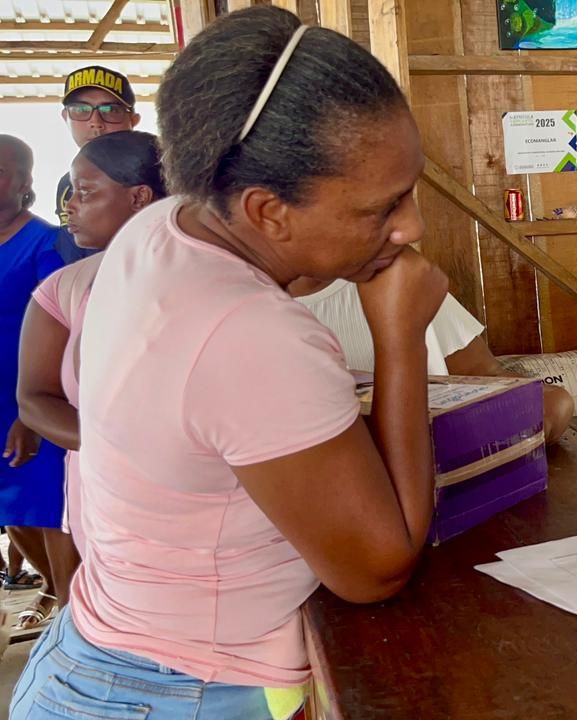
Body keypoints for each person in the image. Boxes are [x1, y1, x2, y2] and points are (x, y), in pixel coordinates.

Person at [11, 8, 447, 719]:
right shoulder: (252, 334)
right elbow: (376, 569)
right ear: (269, 212)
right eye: (384, 208)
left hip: (97, 659)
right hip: (175, 691)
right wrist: (400, 334)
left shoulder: (165, 225)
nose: (412, 228)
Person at [17, 131, 168, 620]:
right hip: (102, 501)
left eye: (84, 192)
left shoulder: (207, 283)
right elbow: (35, 399)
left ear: (139, 197)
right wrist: (120, 449)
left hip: (188, 512)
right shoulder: (64, 288)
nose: (69, 208)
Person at [291, 277, 576, 443]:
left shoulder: (400, 282)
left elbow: (489, 377)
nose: (412, 227)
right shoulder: (260, 315)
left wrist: (538, 407)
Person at [0, 135, 67, 632]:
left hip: (31, 402)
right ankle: (54, 592)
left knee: (46, 506)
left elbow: (68, 326)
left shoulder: (46, 244)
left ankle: (71, 609)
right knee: (12, 511)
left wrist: (34, 412)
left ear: (25, 183)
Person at [53, 66, 141, 265]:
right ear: (66, 117)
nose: (96, 122)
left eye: (110, 110)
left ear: (133, 120)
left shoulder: (169, 172)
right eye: (81, 110)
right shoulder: (67, 186)